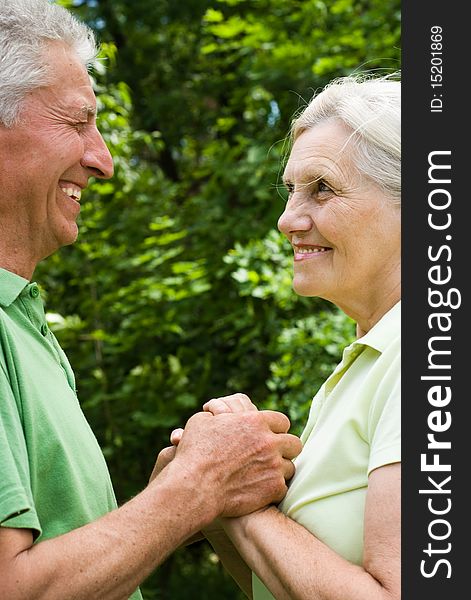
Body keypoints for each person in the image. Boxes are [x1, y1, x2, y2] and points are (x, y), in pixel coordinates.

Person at [0, 1, 302, 598]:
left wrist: (177, 496)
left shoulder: (23, 323)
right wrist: (196, 487)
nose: (103, 160)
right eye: (76, 122)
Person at [165, 74, 401, 599]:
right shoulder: (365, 363)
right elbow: (277, 588)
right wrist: (211, 497)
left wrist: (223, 489)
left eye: (323, 188)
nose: (287, 219)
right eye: (291, 191)